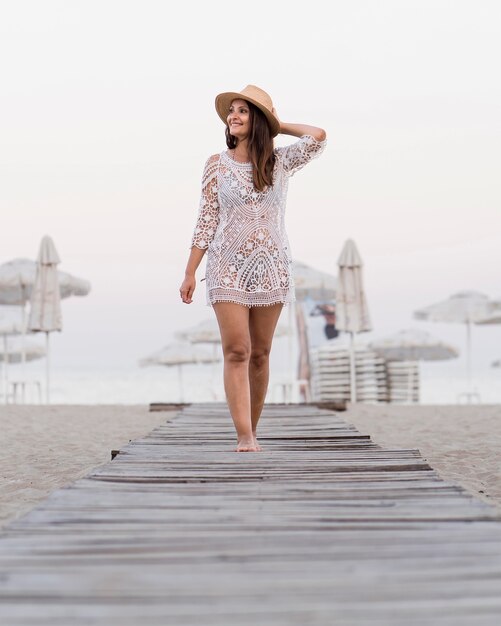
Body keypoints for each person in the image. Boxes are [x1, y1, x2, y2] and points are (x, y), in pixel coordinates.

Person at [180, 84, 326, 452]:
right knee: (237, 350)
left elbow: (318, 137)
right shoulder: (216, 165)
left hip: (272, 267)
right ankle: (244, 435)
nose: (233, 116)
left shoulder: (280, 163)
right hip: (226, 267)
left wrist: (277, 124)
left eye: (243, 111)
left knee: (260, 354)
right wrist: (189, 272)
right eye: (232, 111)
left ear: (257, 119)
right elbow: (207, 220)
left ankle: (253, 430)